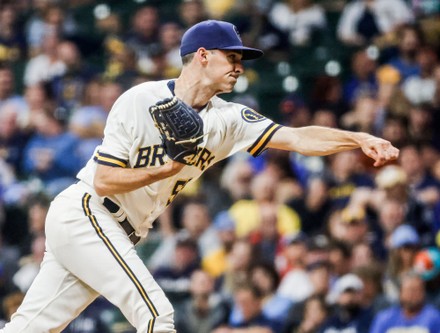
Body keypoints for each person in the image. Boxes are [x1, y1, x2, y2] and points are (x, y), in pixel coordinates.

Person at [0, 19, 399, 333]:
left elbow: (298, 137)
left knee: (31, 328)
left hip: (117, 230)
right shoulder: (141, 99)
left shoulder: (229, 119)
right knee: (158, 316)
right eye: (233, 58)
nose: (240, 67)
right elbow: (104, 180)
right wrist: (170, 167)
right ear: (203, 55)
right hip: (87, 212)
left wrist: (357, 137)